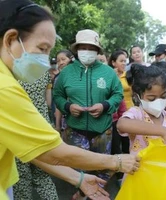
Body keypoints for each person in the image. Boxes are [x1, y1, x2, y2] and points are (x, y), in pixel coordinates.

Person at [0, 1, 139, 199]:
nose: (46, 61)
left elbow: (36, 150)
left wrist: (79, 179)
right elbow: (52, 151)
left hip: (101, 130)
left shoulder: (108, 73)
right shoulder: (5, 88)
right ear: (10, 39)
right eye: (42, 48)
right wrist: (116, 162)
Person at [53, 29, 124, 198]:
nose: (87, 51)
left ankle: (92, 195)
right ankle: (82, 192)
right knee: (78, 169)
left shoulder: (108, 72)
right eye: (83, 47)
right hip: (75, 130)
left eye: (91, 48)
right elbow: (58, 95)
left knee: (103, 169)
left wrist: (105, 105)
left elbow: (118, 94)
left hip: (103, 130)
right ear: (76, 50)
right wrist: (68, 107)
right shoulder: (66, 73)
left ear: (98, 50)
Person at [117, 63, 166, 164]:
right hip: (140, 175)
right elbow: (122, 124)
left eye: (163, 96)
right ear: (138, 96)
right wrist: (163, 131)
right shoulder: (137, 114)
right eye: (151, 98)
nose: (158, 101)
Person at [14, 71, 59, 199]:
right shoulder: (42, 71)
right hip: (42, 129)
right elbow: (49, 102)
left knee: (22, 182)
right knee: (43, 178)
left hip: (19, 133)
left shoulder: (10, 74)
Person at [53, 49, 74, 133]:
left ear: (71, 59)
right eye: (58, 61)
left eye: (63, 59)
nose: (61, 63)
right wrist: (58, 126)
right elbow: (58, 104)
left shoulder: (83, 74)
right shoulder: (58, 79)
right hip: (67, 122)